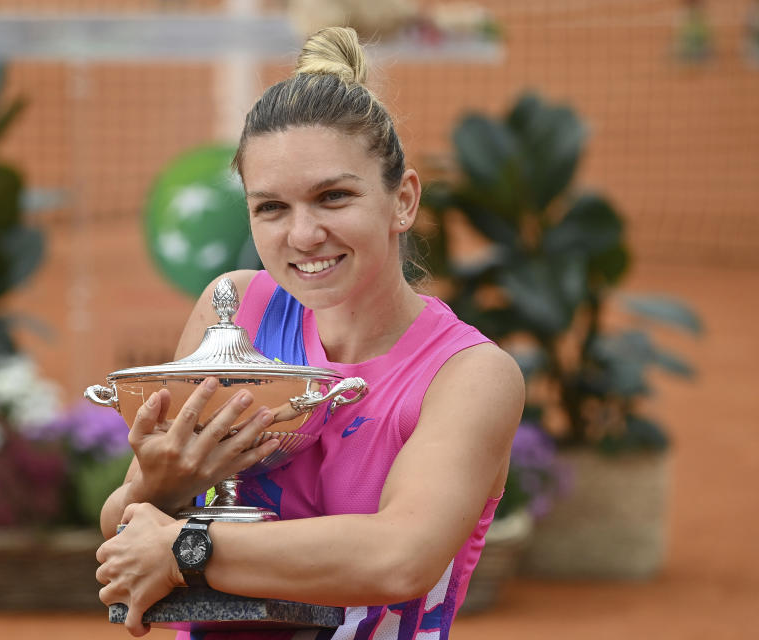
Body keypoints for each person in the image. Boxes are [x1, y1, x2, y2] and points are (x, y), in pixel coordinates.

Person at [95, 26, 524, 640]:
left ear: (402, 200)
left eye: (332, 197)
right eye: (271, 207)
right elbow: (123, 525)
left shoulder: (468, 374)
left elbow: (398, 556)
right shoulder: (233, 309)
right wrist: (163, 485)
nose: (302, 235)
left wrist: (186, 549)